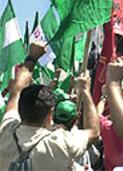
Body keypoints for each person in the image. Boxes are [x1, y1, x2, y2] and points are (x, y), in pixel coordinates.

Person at [0, 42, 100, 170]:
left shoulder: (6, 130)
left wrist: (32, 57)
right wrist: (85, 91)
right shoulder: (60, 143)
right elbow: (94, 132)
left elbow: (17, 90)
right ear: (50, 114)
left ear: (20, 109)